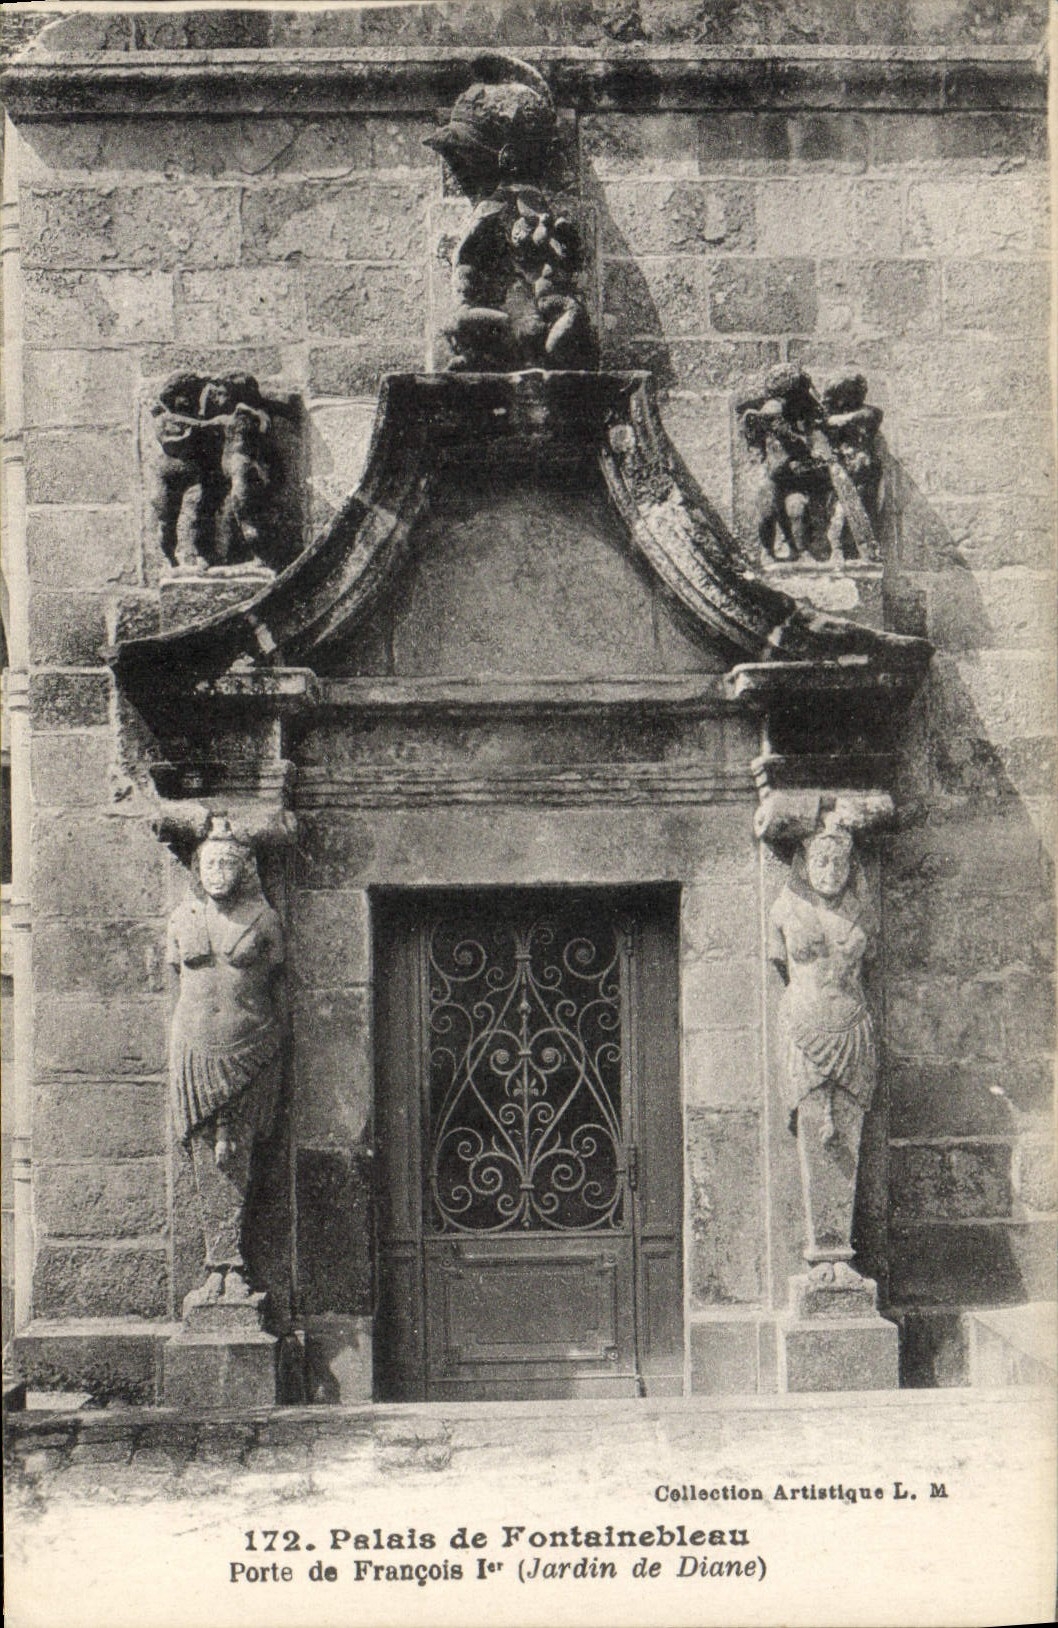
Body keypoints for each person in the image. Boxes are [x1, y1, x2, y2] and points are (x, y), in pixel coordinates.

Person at [167, 816, 284, 1305]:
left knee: (235, 1151)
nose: (218, 873)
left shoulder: (265, 920)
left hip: (251, 1045)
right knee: (202, 1153)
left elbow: (277, 980)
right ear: (198, 866)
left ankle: (231, 1263)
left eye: (228, 864)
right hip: (193, 1048)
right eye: (210, 863)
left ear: (245, 868)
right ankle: (216, 1263)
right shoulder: (181, 920)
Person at [768, 821, 878, 1269]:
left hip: (853, 1028)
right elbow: (780, 961)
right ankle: (821, 1255)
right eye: (821, 861)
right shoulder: (784, 909)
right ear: (804, 862)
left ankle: (839, 1254)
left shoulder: (863, 912)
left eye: (840, 862)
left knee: (846, 1134)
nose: (831, 870)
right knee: (814, 1129)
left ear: (852, 866)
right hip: (803, 1027)